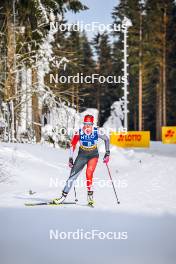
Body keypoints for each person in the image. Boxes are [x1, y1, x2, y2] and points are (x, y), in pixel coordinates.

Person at [52, 114, 110, 206]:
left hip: (93, 155)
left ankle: (90, 197)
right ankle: (62, 197)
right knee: (72, 176)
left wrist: (107, 153)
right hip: (82, 154)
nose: (87, 126)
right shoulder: (79, 132)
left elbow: (107, 139)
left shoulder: (97, 131)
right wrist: (70, 158)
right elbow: (73, 145)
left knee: (89, 173)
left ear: (92, 124)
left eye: (89, 124)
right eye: (85, 124)